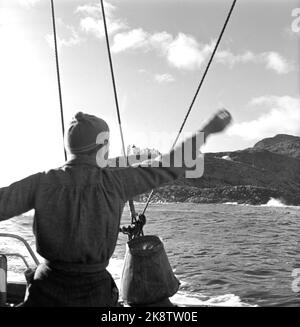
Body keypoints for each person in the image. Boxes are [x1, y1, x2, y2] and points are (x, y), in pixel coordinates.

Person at [0, 109, 232, 307]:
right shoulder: (115, 181)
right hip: (94, 294)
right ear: (103, 146)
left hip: (44, 290)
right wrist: (207, 130)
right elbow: (171, 164)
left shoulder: (41, 182)